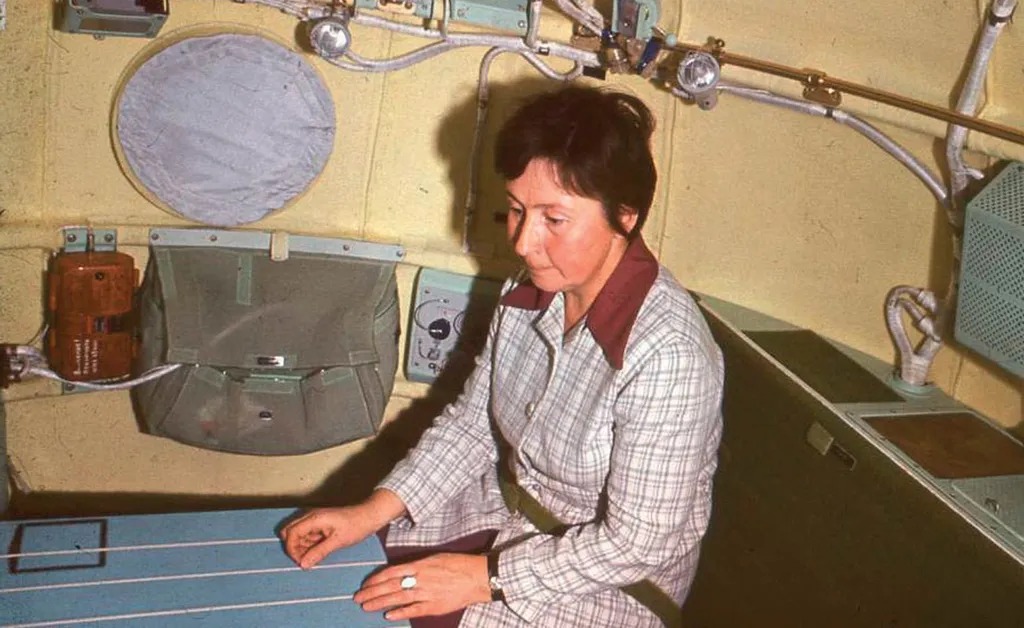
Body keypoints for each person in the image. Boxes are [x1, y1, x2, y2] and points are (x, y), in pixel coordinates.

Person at [281, 85, 724, 627]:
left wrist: (484, 578)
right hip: (506, 511)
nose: (523, 242)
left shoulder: (670, 355)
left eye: (553, 219)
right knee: (350, 582)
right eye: (516, 210)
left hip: (609, 580)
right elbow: (473, 425)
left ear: (625, 217)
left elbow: (637, 543)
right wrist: (371, 512)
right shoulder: (528, 288)